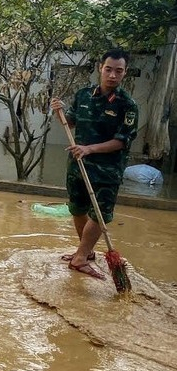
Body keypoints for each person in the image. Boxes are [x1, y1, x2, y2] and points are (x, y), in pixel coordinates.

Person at [51, 48, 138, 280]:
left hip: (107, 169)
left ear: (125, 72)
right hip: (78, 164)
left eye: (118, 71)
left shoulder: (127, 105)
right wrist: (58, 112)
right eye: (108, 69)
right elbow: (70, 122)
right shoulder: (83, 95)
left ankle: (80, 259)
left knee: (100, 213)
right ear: (101, 68)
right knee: (77, 208)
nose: (112, 75)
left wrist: (89, 149)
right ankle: (86, 251)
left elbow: (122, 141)